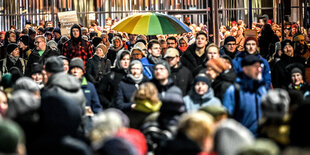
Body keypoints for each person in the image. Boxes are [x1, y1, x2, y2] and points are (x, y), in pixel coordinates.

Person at [223, 55, 267, 136]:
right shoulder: (234, 90)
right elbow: (226, 119)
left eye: (260, 66)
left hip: (260, 137)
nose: (259, 69)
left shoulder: (261, 88)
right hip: (240, 139)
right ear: (245, 69)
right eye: (255, 66)